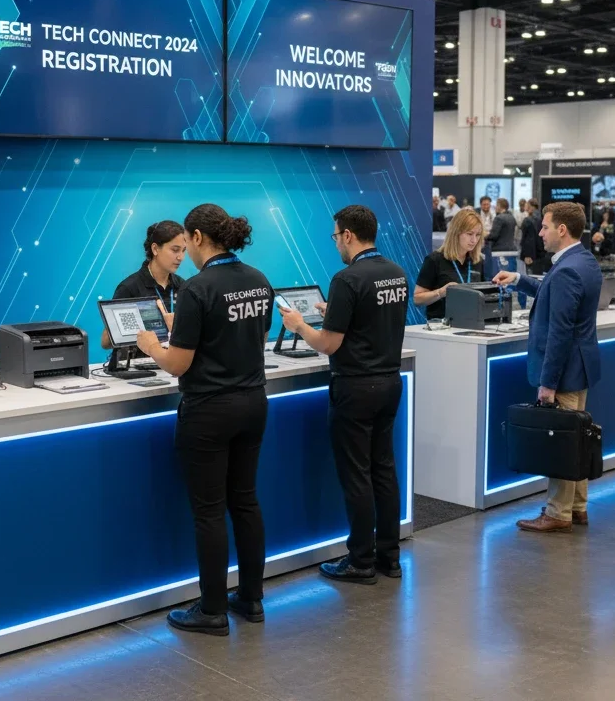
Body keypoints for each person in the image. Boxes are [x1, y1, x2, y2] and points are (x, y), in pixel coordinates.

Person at [134, 204, 271, 636]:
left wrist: (152, 345)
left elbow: (177, 364)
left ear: (196, 237)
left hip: (209, 410)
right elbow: (255, 335)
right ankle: (250, 598)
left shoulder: (197, 288)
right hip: (253, 402)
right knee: (245, 501)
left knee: (209, 512)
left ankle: (212, 609)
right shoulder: (258, 280)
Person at [279, 205, 407, 583]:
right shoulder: (395, 274)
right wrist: (333, 311)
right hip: (388, 383)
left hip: (355, 387)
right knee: (384, 470)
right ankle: (389, 556)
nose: (336, 243)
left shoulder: (347, 278)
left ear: (348, 235)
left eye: (336, 236)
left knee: (357, 475)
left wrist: (300, 324)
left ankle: (360, 560)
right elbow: (370, 318)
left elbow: (328, 344)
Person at [492, 201, 602, 533]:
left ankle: (557, 512)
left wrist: (548, 382)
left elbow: (560, 332)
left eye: (544, 227)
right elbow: (552, 293)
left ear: (562, 230)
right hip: (580, 367)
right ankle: (577, 507)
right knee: (577, 438)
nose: (540, 232)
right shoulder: (582, 260)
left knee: (562, 442)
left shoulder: (567, 268)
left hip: (564, 372)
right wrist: (519, 280)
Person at [100, 220, 187, 351]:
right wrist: (139, 324)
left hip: (172, 364)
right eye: (175, 250)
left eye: (183, 251)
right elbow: (105, 342)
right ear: (155, 249)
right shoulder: (130, 287)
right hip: (136, 366)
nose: (181, 257)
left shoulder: (183, 286)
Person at [413, 208, 484, 320]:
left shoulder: (478, 261)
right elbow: (417, 299)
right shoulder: (434, 260)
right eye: (470, 234)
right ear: (456, 233)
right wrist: (440, 292)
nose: (474, 240)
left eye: (478, 235)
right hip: (441, 326)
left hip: (471, 323)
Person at [486, 198, 518, 279]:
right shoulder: (512, 218)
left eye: (496, 205)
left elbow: (493, 236)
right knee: (510, 278)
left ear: (500, 206)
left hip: (500, 252)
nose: (495, 207)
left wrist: (485, 236)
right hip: (512, 251)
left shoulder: (499, 218)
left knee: (500, 279)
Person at [518, 199, 546, 276]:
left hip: (531, 255)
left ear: (530, 206)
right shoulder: (543, 218)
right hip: (541, 253)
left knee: (531, 277)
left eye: (526, 205)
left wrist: (527, 255)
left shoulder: (528, 220)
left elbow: (529, 239)